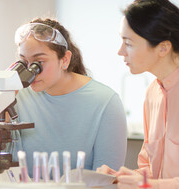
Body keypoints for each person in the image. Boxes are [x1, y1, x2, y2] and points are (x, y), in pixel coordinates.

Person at [12, 18, 127, 177]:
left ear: (64, 60)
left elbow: (106, 181)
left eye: (39, 62)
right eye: (24, 62)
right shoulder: (17, 97)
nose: (30, 73)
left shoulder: (105, 102)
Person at [97, 0, 179, 189]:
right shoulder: (153, 93)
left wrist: (152, 188)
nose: (120, 51)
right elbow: (152, 169)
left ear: (163, 48)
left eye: (128, 43)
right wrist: (124, 178)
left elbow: (155, 185)